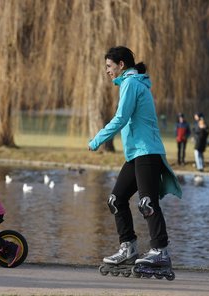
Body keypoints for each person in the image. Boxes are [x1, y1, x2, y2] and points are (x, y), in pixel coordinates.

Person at [88, 46, 182, 269]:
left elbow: (121, 117)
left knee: (147, 202)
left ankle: (160, 251)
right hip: (136, 155)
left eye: (110, 67)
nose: (107, 71)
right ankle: (128, 246)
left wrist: (97, 139)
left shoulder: (131, 83)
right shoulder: (131, 83)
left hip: (147, 152)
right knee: (116, 200)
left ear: (121, 65)